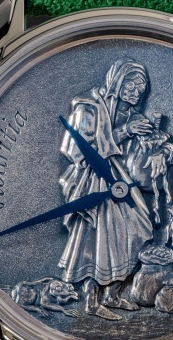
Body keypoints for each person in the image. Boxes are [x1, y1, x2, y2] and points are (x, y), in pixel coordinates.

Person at [58, 60, 155, 320]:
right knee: (97, 238)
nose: (136, 93)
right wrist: (125, 131)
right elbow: (80, 150)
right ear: (116, 81)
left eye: (141, 88)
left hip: (117, 175)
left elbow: (128, 150)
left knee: (136, 227)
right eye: (131, 85)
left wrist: (147, 138)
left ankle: (112, 294)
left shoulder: (126, 112)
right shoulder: (88, 108)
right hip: (93, 179)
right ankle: (91, 301)